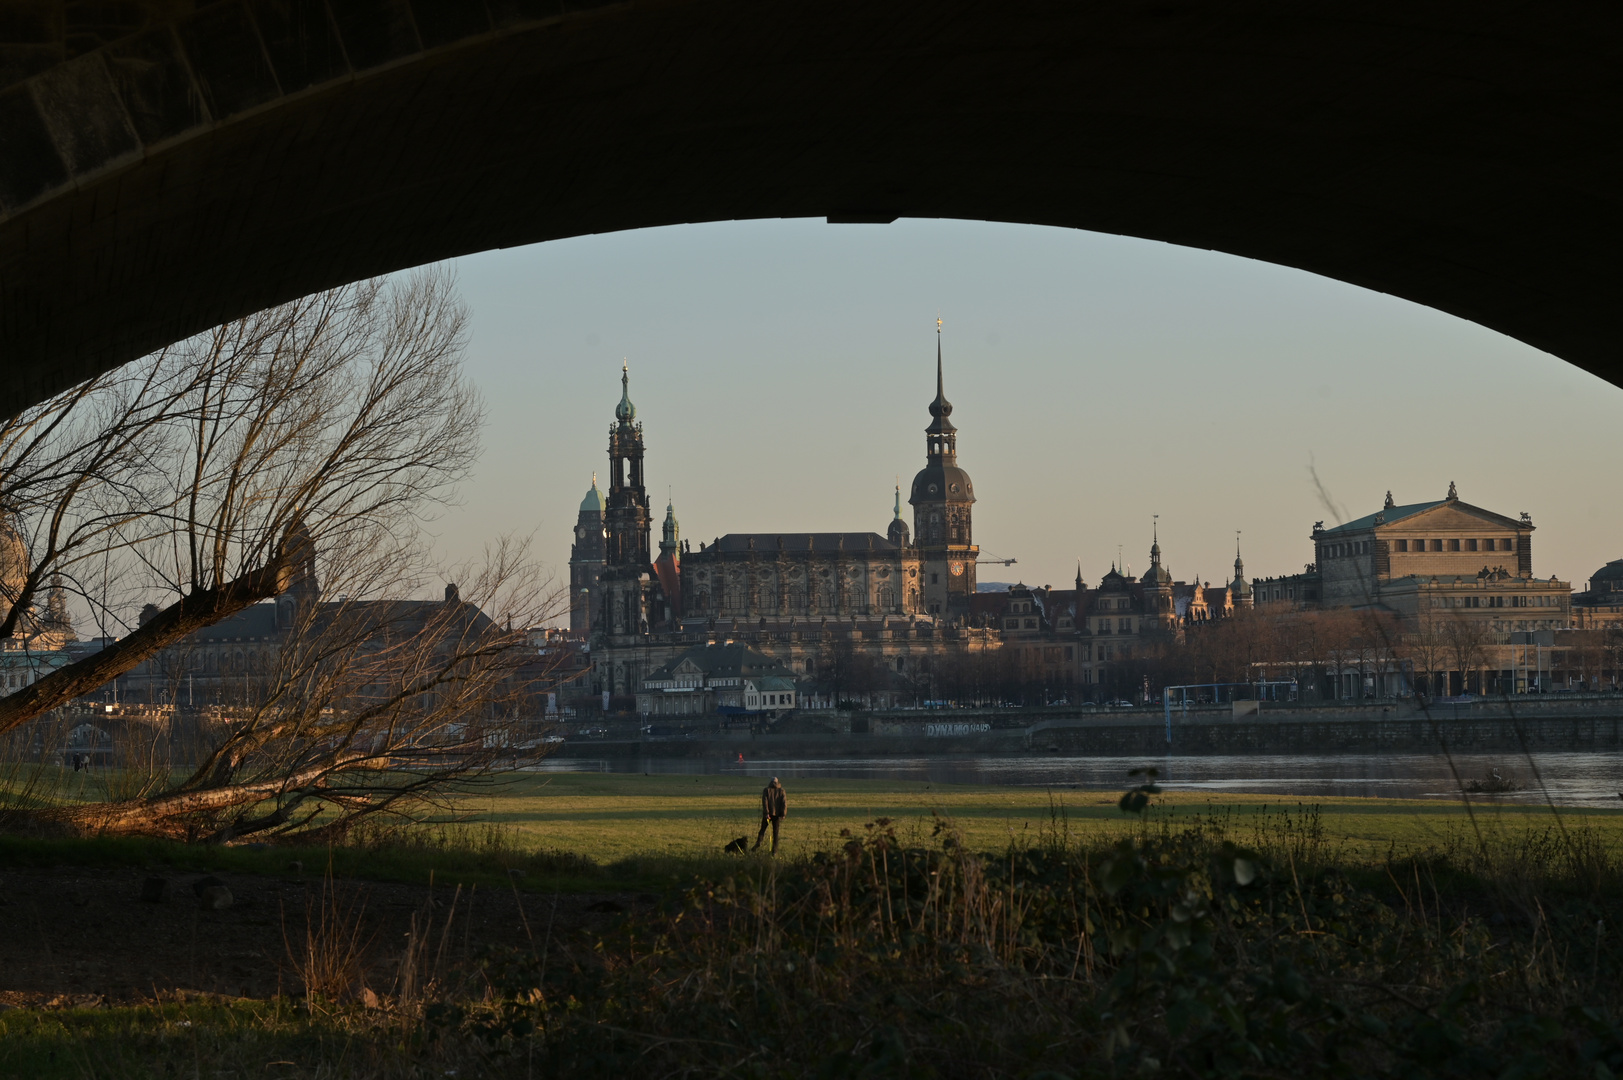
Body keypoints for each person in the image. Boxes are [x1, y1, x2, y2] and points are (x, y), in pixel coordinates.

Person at [754, 776, 787, 853]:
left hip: (768, 814)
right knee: (775, 833)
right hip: (777, 815)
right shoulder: (782, 791)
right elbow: (784, 803)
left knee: (762, 830)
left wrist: (766, 813)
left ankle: (758, 843)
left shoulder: (766, 790)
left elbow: (765, 802)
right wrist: (783, 814)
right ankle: (774, 851)